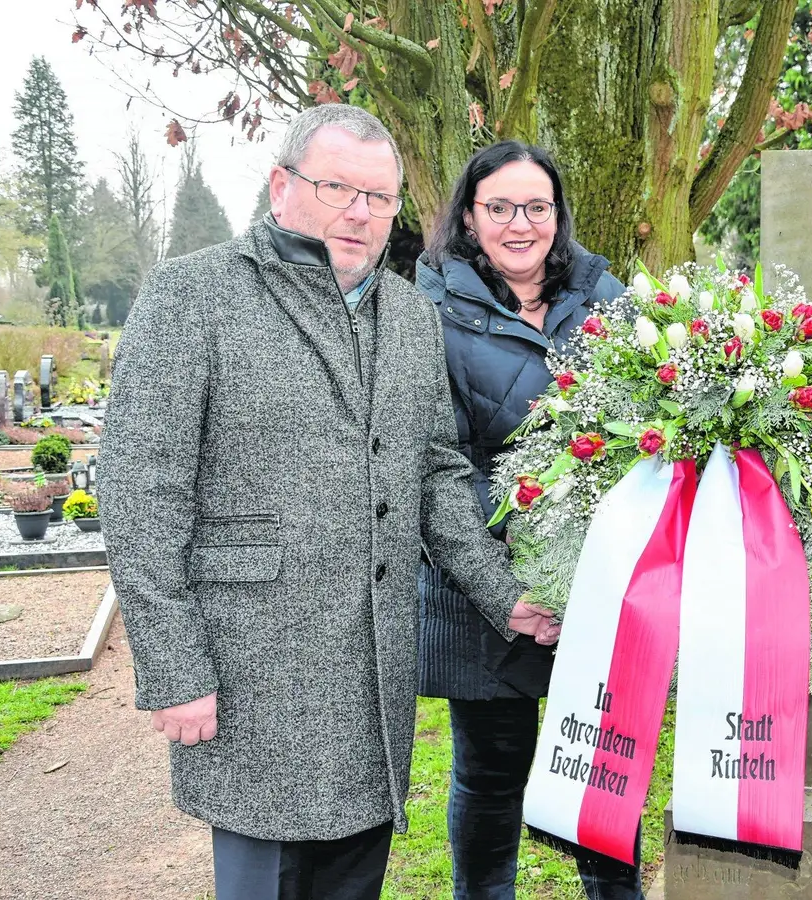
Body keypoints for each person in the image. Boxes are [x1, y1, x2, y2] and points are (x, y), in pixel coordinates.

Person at [98, 104, 559, 900]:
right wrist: (173, 667)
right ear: (282, 187)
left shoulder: (412, 318)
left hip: (371, 670)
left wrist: (505, 597)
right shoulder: (193, 297)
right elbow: (141, 495)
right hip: (252, 674)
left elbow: (438, 476)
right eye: (338, 186)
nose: (360, 212)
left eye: (380, 197)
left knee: (355, 877)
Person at [414, 141, 641, 899]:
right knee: (491, 777)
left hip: (599, 587)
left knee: (604, 772)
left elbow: (646, 435)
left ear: (558, 215)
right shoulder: (429, 312)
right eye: (500, 207)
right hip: (484, 589)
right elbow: (436, 463)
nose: (521, 223)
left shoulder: (610, 299)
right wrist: (521, 577)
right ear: (469, 220)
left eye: (537, 207)